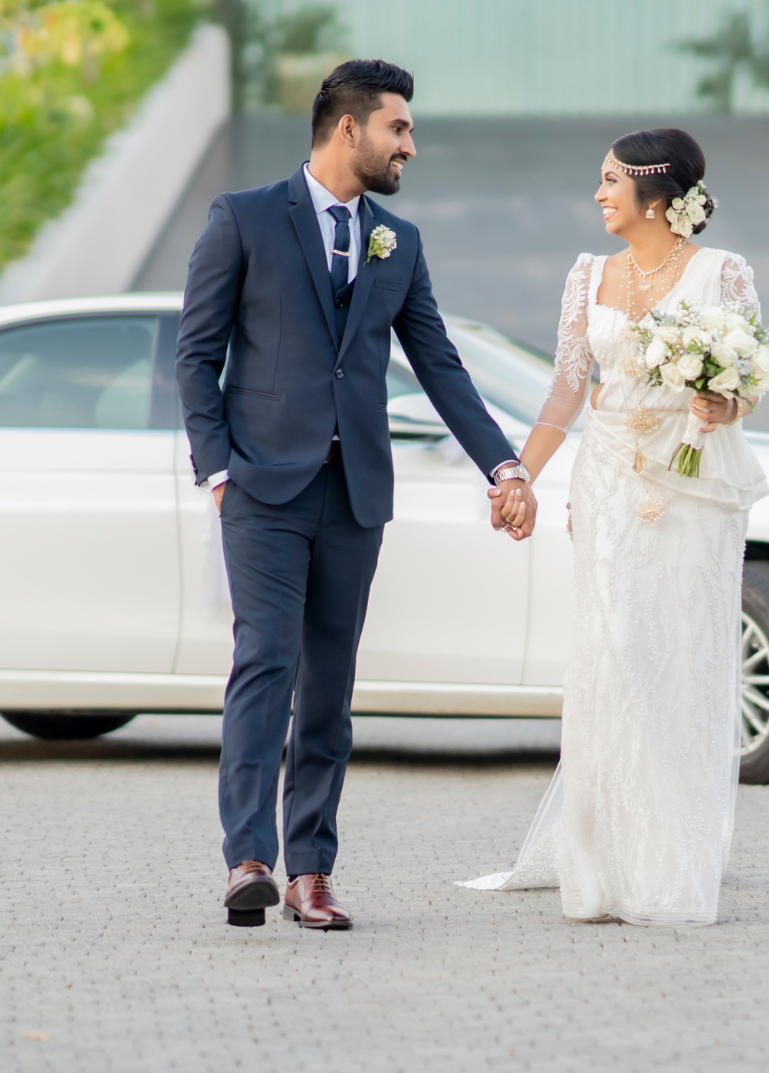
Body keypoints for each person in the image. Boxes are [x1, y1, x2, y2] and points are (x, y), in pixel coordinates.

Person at [175, 60, 538, 932]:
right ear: (349, 128)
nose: (410, 144)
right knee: (266, 663)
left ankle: (312, 873)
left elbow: (440, 365)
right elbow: (196, 354)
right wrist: (218, 471)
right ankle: (248, 860)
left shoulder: (396, 243)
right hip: (262, 489)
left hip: (355, 495)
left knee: (329, 688)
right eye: (398, 128)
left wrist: (504, 467)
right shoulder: (244, 218)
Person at [463, 128, 769, 926]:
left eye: (610, 181)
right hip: (606, 475)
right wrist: (518, 474)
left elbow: (750, 383)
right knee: (614, 650)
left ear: (655, 196)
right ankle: (602, 866)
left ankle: (670, 857)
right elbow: (566, 391)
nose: (599, 195)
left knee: (681, 651)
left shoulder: (722, 274)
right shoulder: (587, 276)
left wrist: (725, 403)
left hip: (691, 480)